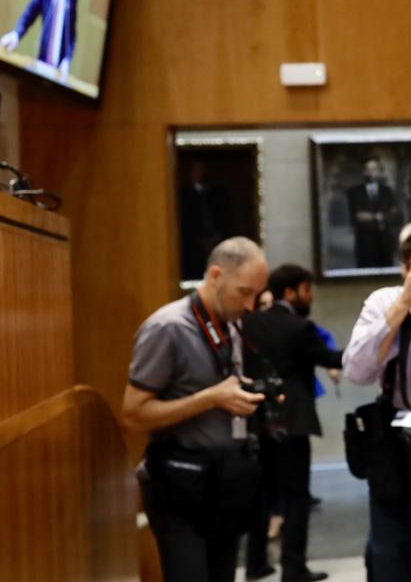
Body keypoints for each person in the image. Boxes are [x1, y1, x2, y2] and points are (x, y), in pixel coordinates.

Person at [122, 237, 270, 582]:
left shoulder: (230, 323)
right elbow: (132, 414)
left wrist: (247, 396)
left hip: (223, 484)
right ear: (215, 275)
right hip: (178, 484)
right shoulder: (168, 327)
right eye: (244, 292)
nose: (249, 305)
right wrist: (211, 398)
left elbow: (220, 387)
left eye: (256, 295)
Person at [344, 216, 411, 582]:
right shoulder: (385, 302)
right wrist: (402, 306)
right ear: (404, 267)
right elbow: (357, 372)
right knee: (392, 551)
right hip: (394, 447)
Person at [242, 264, 342, 582]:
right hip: (294, 421)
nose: (310, 296)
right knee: (296, 497)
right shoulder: (299, 328)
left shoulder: (249, 323)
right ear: (290, 292)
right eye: (306, 289)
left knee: (261, 495)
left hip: (257, 418)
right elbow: (331, 359)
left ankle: (255, 564)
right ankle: (293, 567)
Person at [346, 157, 402, 268]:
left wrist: (374, 217)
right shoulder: (354, 192)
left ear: (379, 171)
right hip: (365, 243)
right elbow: (357, 218)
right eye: (369, 169)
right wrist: (384, 216)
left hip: (385, 243)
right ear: (363, 171)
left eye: (374, 169)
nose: (372, 173)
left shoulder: (387, 191)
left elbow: (397, 217)